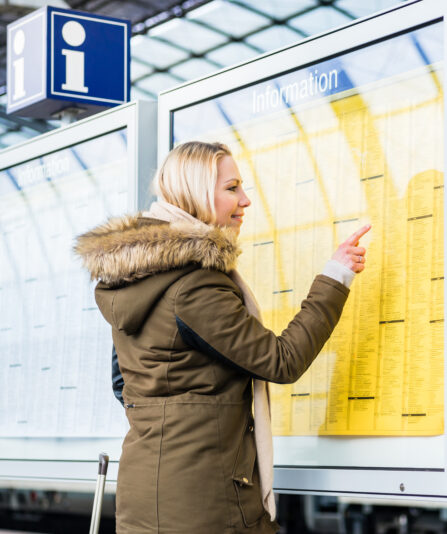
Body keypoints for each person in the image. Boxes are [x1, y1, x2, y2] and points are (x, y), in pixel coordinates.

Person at [75, 141, 370, 533]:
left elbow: (122, 384)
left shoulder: (136, 276)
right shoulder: (194, 285)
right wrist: (336, 276)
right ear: (196, 193)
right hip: (201, 502)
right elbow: (282, 361)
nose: (245, 200)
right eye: (232, 188)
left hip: (147, 490)